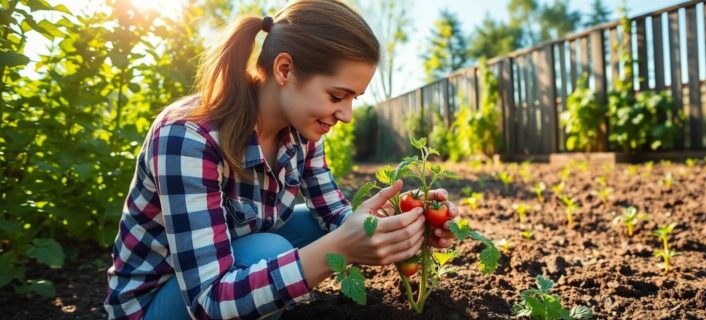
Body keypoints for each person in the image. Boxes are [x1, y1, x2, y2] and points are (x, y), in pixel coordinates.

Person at [103, 1, 459, 319]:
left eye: (354, 99)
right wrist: (338, 247)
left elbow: (337, 217)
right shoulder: (188, 136)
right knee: (272, 249)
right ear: (285, 70)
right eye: (338, 95)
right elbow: (208, 302)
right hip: (158, 304)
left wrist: (404, 227)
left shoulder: (302, 133)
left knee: (316, 228)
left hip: (227, 264)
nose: (347, 115)